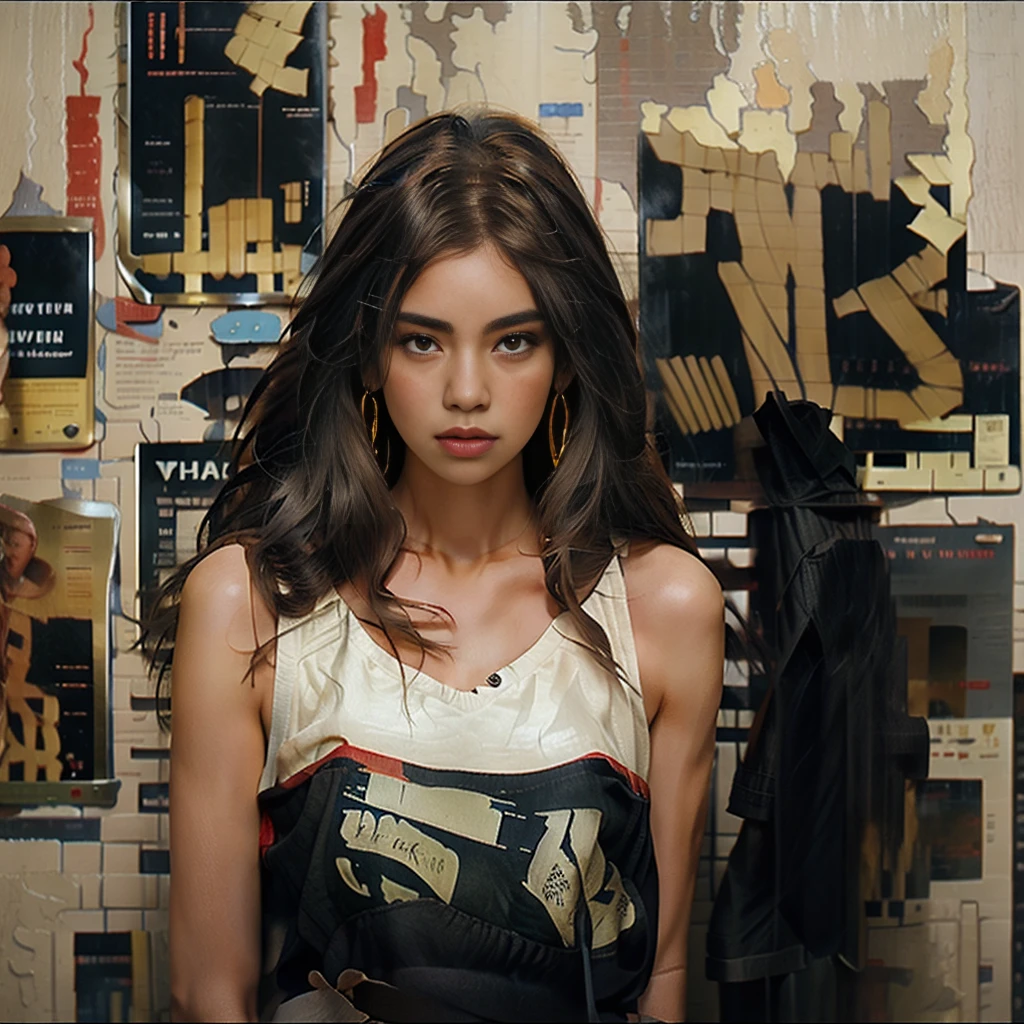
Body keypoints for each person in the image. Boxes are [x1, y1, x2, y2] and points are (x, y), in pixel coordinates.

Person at [147, 110, 724, 1024]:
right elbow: (206, 994)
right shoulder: (251, 605)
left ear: (567, 358)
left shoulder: (663, 610)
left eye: (514, 341)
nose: (466, 389)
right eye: (423, 340)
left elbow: (659, 983)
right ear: (370, 355)